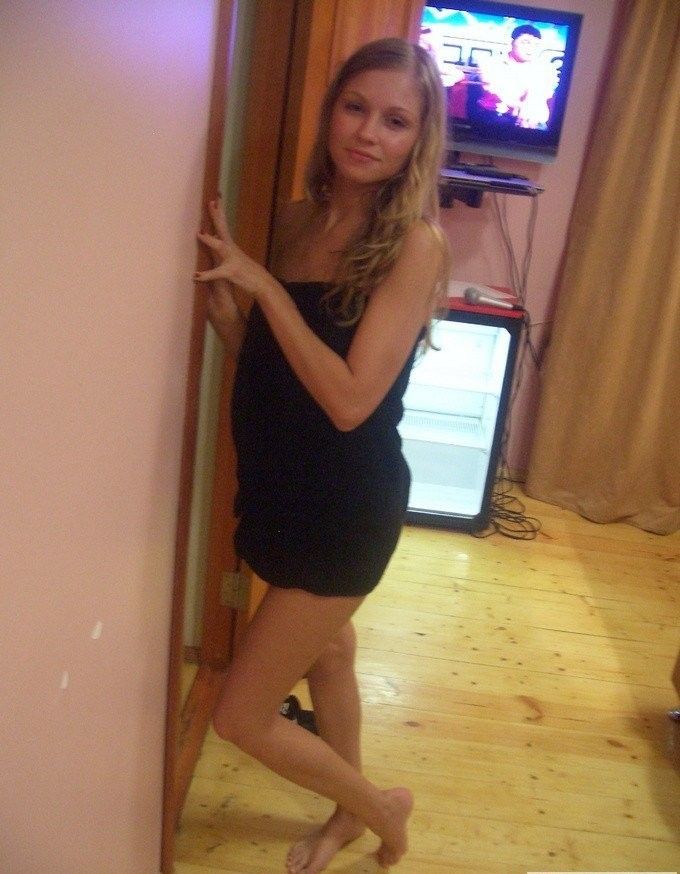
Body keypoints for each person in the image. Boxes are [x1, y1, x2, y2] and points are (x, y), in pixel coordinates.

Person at [194, 37, 449, 873]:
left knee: (240, 716)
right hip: (279, 487)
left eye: (395, 120)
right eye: (355, 107)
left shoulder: (414, 245)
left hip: (344, 503)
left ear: (418, 139)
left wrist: (264, 287)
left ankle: (382, 810)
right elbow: (277, 369)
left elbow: (346, 402)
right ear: (331, 109)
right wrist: (227, 313)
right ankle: (348, 812)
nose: (369, 132)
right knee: (330, 653)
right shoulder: (296, 219)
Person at [473, 24, 559, 130]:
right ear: (511, 42)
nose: (531, 48)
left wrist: (528, 105)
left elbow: (542, 92)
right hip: (494, 118)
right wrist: (519, 106)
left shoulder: (546, 68)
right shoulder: (490, 62)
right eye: (525, 42)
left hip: (533, 123)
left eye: (536, 45)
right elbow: (494, 90)